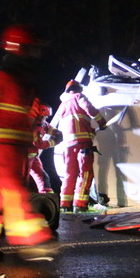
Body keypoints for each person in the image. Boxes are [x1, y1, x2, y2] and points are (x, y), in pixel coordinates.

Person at [0, 25, 54, 258]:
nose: (38, 54)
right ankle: (33, 237)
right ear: (20, 49)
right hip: (3, 147)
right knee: (14, 191)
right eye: (34, 49)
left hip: (18, 148)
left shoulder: (23, 82)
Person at [52, 79, 107, 212]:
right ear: (79, 89)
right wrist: (101, 122)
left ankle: (65, 204)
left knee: (69, 174)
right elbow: (90, 109)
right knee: (85, 173)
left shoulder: (63, 104)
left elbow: (61, 125)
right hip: (83, 144)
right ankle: (80, 204)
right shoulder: (79, 97)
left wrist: (91, 130)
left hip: (68, 146)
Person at [27, 99, 60, 193]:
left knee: (44, 179)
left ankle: (46, 197)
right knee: (20, 182)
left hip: (33, 158)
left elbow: (49, 128)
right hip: (23, 158)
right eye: (44, 116)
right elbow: (39, 144)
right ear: (39, 116)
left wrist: (58, 133)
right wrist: (55, 141)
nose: (45, 119)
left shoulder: (42, 124)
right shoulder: (31, 126)